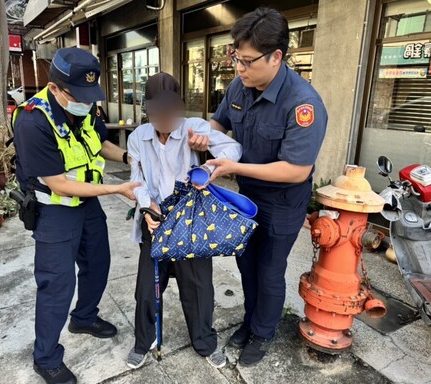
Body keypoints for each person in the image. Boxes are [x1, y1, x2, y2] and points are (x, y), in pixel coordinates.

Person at [188, 7, 328, 366]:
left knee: (268, 268)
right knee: (245, 263)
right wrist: (202, 139)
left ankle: (264, 332)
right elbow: (218, 125)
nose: (239, 68)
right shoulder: (240, 85)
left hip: (282, 201)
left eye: (248, 61)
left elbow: (297, 170)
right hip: (245, 195)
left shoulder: (303, 103)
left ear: (276, 56)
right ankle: (251, 320)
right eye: (237, 58)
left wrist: (233, 166)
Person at [13, 47, 140, 384]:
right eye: (78, 95)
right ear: (55, 88)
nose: (87, 102)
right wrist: (116, 189)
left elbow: (99, 143)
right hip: (54, 210)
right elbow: (59, 184)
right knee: (57, 284)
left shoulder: (83, 105)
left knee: (98, 263)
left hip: (88, 206)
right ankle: (46, 357)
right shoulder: (32, 120)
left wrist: (130, 158)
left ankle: (84, 317)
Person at [126, 72, 242, 370]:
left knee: (199, 288)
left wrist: (207, 156)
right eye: (158, 112)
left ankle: (205, 342)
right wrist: (148, 207)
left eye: (171, 111)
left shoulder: (195, 127)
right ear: (148, 110)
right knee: (146, 288)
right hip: (155, 218)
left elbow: (233, 150)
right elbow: (137, 179)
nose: (165, 119)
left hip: (192, 221)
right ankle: (144, 340)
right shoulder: (138, 137)